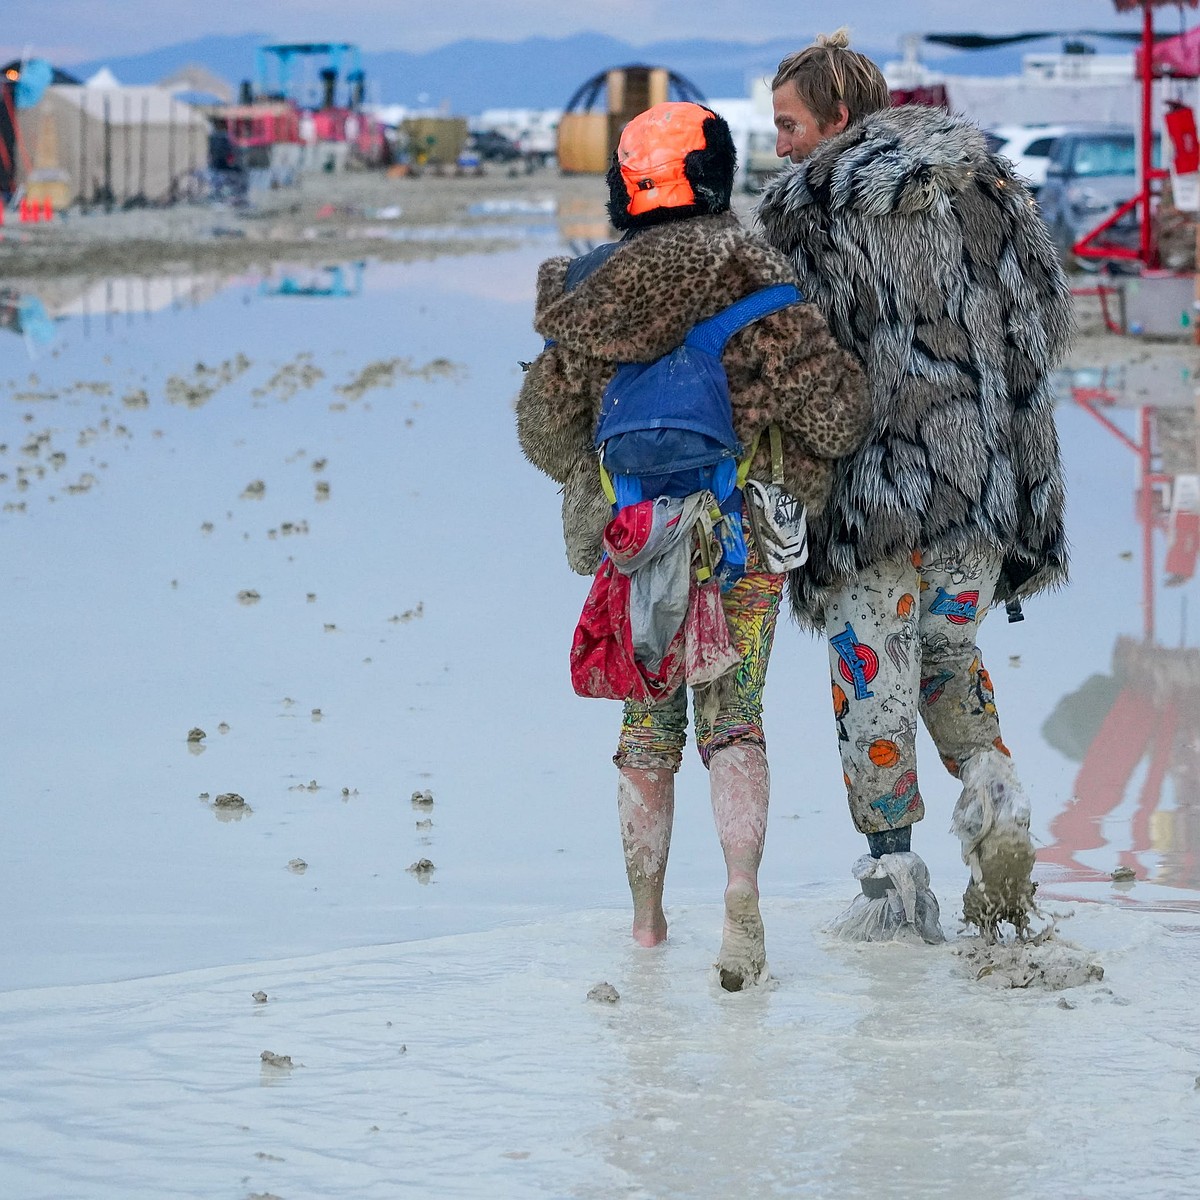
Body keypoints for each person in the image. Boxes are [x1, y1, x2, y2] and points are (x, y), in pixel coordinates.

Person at [517, 102, 869, 988]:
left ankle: (644, 927)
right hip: (739, 538)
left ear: (624, 185)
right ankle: (742, 895)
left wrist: (611, 484)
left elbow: (544, 435)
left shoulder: (588, 290)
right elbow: (838, 412)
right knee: (735, 717)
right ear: (714, 176)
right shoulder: (758, 277)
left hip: (631, 544)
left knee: (646, 729)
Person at [756, 30, 1073, 942]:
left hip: (873, 497)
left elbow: (791, 370)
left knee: (873, 683)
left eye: (788, 124)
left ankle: (894, 879)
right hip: (985, 489)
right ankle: (996, 799)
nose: (779, 146)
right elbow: (1045, 324)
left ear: (838, 117)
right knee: (949, 657)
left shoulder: (810, 210)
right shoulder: (992, 188)